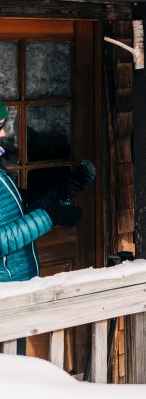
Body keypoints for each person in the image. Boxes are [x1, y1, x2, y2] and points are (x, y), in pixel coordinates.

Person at [0, 100, 95, 284]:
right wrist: (49, 217)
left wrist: (62, 194)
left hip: (21, 283)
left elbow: (19, 215)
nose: (3, 133)